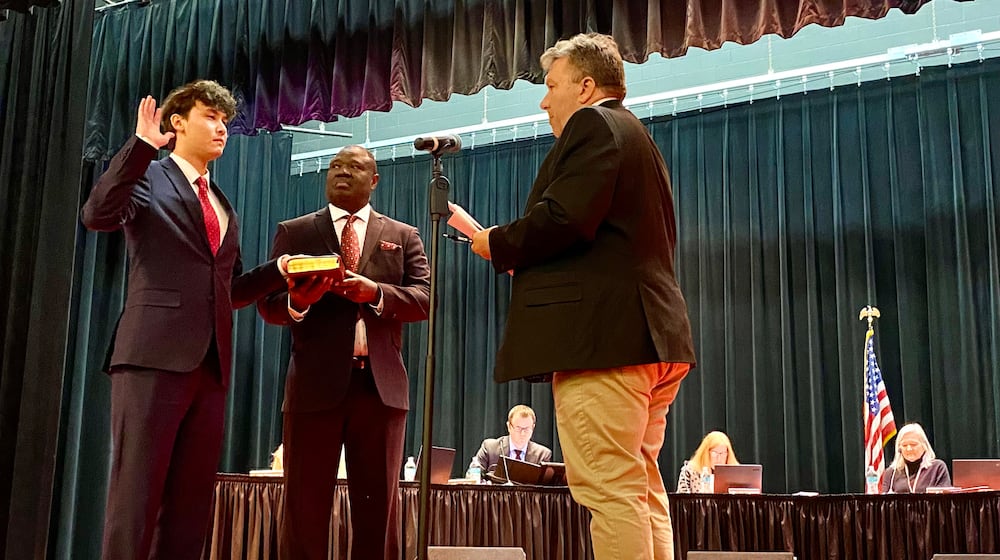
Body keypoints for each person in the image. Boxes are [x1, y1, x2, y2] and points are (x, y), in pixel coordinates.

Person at [470, 33, 695, 560]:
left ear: (587, 86)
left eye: (551, 86)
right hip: (651, 336)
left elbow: (565, 218)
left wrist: (496, 243)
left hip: (605, 342)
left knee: (609, 489)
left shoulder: (594, 124)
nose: (544, 100)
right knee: (640, 487)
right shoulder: (636, 134)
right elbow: (602, 237)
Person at [81, 80, 287, 560]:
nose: (222, 129)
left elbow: (229, 289)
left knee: (191, 506)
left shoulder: (222, 202)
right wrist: (140, 149)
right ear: (177, 123)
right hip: (152, 357)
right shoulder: (150, 176)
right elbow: (98, 214)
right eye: (210, 117)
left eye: (226, 122)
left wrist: (278, 272)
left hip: (211, 367)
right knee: (136, 498)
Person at [257, 145, 430, 560]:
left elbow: (425, 300)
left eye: (354, 167)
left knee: (378, 514)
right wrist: (299, 304)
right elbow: (267, 304)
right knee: (304, 509)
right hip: (314, 391)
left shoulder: (403, 235)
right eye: (335, 165)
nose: (341, 171)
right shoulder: (295, 231)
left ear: (374, 180)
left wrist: (376, 293)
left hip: (381, 391)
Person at [474, 404, 553, 475]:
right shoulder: (490, 448)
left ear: (533, 427)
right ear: (509, 426)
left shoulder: (542, 455)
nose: (522, 433)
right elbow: (473, 477)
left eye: (527, 429)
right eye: (518, 428)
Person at [880, 422, 951, 493]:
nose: (909, 449)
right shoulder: (891, 472)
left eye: (913, 444)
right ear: (899, 449)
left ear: (924, 446)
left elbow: (944, 500)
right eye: (904, 445)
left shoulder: (938, 468)